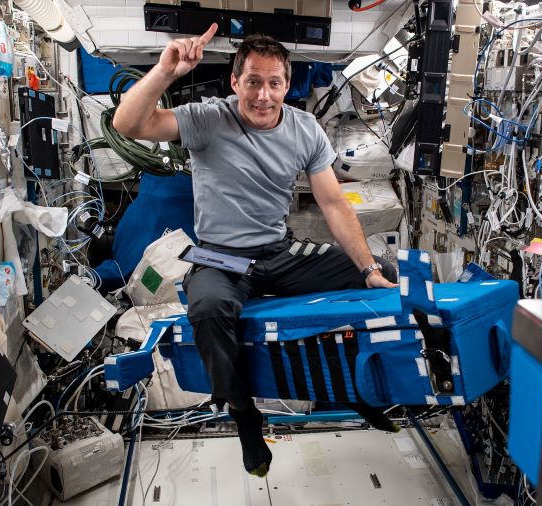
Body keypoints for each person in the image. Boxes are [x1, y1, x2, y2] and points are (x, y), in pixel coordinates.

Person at [113, 24, 400, 477]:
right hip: (218, 257)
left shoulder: (306, 130)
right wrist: (165, 72)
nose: (263, 95)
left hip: (277, 253)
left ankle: (354, 389)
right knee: (208, 307)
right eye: (252, 81)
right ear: (235, 82)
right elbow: (128, 124)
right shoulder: (208, 118)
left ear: (287, 84)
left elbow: (331, 202)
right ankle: (245, 415)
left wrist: (365, 267)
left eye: (274, 83)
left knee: (379, 271)